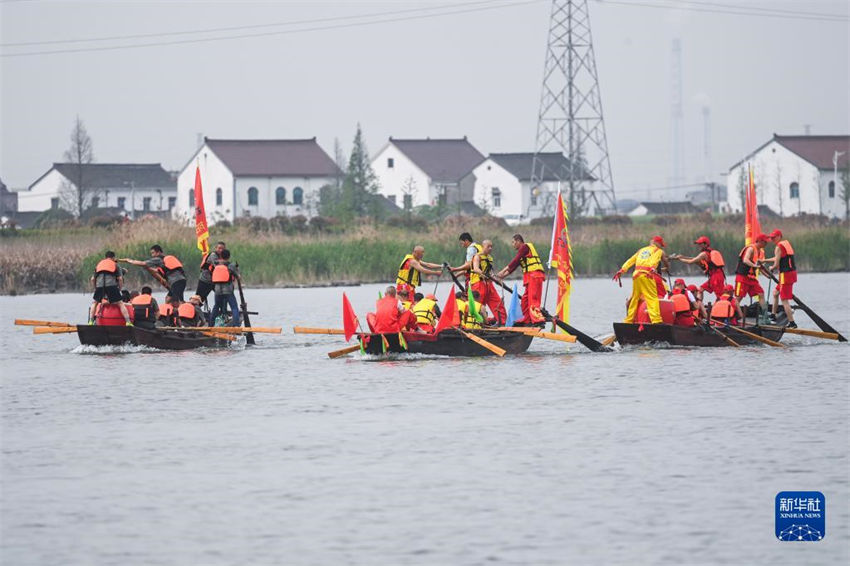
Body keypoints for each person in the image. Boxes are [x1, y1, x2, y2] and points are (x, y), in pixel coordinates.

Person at [613, 236, 670, 324]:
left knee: (635, 298)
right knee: (652, 298)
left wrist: (622, 270)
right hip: (647, 274)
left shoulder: (641, 250)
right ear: (657, 243)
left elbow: (630, 260)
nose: (661, 247)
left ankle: (628, 320)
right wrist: (653, 267)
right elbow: (655, 260)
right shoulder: (658, 251)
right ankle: (656, 320)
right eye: (661, 245)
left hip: (636, 275)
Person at [495, 234, 546, 324]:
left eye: (513, 242)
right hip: (530, 278)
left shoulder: (525, 247)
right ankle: (526, 319)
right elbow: (513, 267)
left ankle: (538, 319)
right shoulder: (522, 252)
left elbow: (515, 260)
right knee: (525, 300)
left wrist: (502, 271)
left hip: (535, 276)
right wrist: (502, 276)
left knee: (533, 300)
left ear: (519, 241)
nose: (512, 244)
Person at [121, 245, 187, 303]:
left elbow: (143, 263)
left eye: (153, 253)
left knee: (176, 300)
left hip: (177, 282)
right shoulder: (163, 260)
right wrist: (148, 268)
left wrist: (129, 261)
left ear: (158, 252)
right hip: (181, 281)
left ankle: (182, 314)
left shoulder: (158, 259)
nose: (152, 255)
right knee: (170, 299)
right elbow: (157, 271)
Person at [89, 251, 132, 326]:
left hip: (99, 286)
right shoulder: (115, 265)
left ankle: (90, 322)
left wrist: (96, 288)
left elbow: (92, 279)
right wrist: (119, 289)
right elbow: (120, 279)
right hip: (111, 286)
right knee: (120, 303)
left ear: (105, 257)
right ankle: (128, 322)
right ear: (113, 258)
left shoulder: (99, 265)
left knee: (95, 303)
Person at [733, 233, 769, 323]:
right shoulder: (750, 248)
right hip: (742, 277)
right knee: (738, 298)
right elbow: (745, 260)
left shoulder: (761, 251)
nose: (766, 244)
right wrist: (755, 266)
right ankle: (738, 316)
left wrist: (768, 275)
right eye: (765, 242)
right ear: (760, 241)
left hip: (751, 279)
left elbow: (760, 267)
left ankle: (765, 316)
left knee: (761, 294)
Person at [766, 229, 797, 328]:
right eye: (771, 238)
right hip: (790, 274)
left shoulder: (779, 247)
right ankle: (773, 315)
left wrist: (772, 267)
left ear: (779, 236)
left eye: (774, 237)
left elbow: (776, 264)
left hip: (786, 275)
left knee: (784, 300)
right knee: (775, 293)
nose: (772, 239)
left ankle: (792, 323)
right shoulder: (785, 244)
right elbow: (778, 258)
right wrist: (764, 260)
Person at [470, 239, 507, 324]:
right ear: (483, 247)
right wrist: (482, 274)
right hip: (478, 284)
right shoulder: (477, 256)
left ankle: (503, 322)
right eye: (488, 246)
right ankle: (479, 323)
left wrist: (497, 279)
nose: (490, 248)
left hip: (488, 284)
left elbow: (490, 272)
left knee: (498, 302)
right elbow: (476, 268)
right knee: (479, 305)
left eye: (491, 246)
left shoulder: (490, 258)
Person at [208, 249, 241, 326]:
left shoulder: (216, 264)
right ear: (228, 257)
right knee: (234, 307)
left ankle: (210, 325)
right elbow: (238, 277)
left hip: (217, 290)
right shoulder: (230, 265)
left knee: (216, 307)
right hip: (228, 290)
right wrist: (237, 271)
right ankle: (236, 326)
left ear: (220, 256)